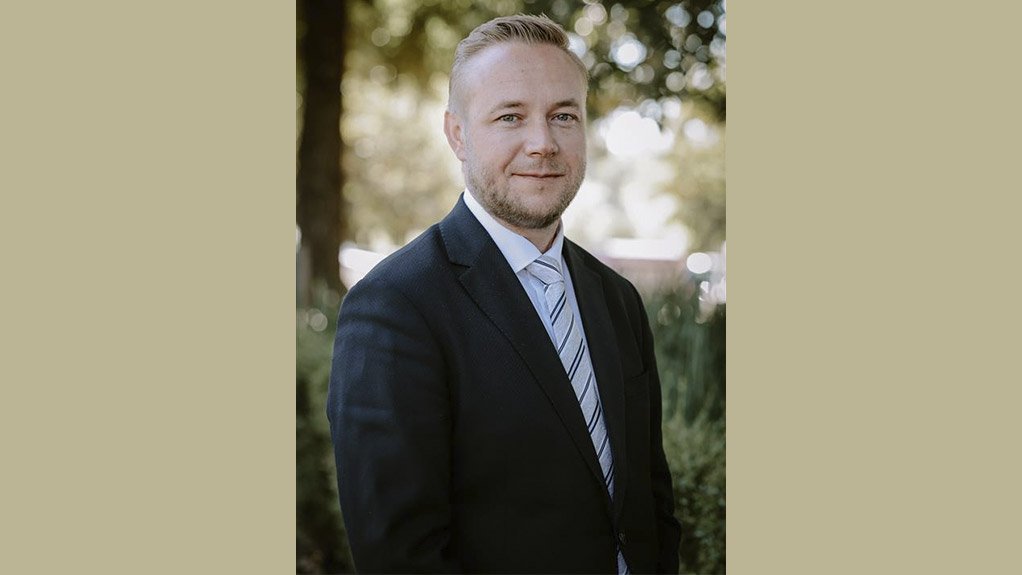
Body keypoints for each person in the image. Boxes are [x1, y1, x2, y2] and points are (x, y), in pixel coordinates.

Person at [327, 14, 681, 574]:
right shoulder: (394, 307)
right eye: (510, 116)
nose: (543, 144)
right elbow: (399, 554)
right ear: (457, 134)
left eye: (563, 116)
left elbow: (651, 498)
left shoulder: (617, 299)